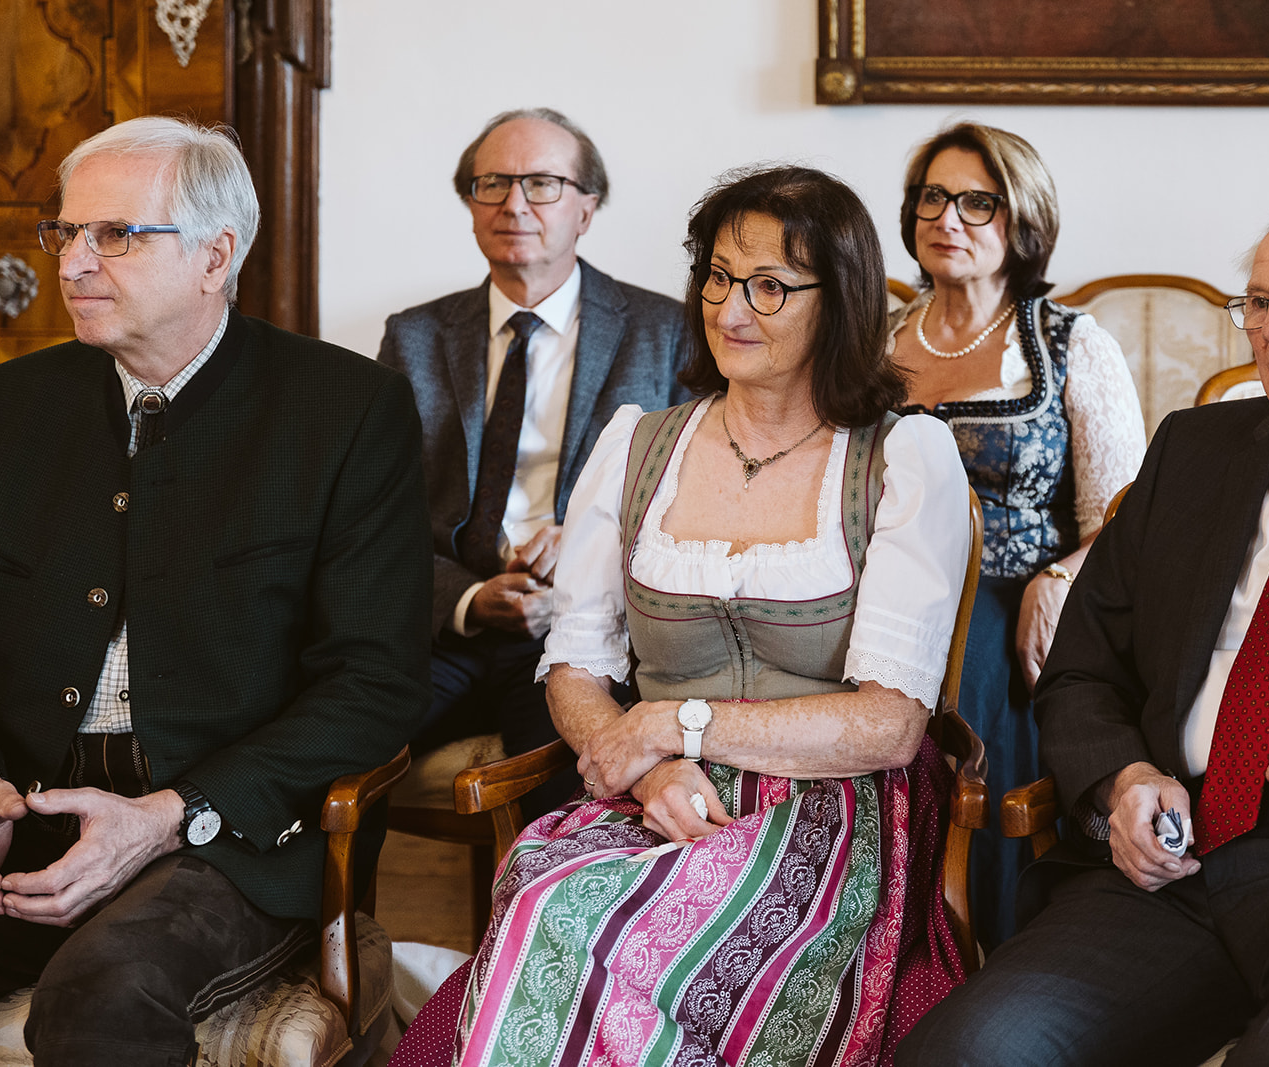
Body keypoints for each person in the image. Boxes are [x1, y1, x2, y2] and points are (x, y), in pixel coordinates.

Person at [389, 166, 974, 1067]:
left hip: (830, 810)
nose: (731, 306)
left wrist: (670, 725)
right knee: (548, 890)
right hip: (654, 796)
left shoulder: (902, 456)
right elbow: (576, 663)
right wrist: (644, 771)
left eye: (770, 285)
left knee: (593, 932)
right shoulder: (638, 444)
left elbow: (891, 725)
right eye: (718, 275)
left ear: (841, 301)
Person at [898, 190, 1269, 1065]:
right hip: (1175, 866)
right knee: (966, 1053)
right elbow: (1082, 670)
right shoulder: (1194, 451)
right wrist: (1122, 777)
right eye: (1257, 302)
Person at [0, 116, 432, 1062]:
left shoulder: (345, 411)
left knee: (101, 994)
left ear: (215, 255)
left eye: (116, 235)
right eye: (65, 232)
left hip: (223, 841)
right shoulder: (3, 410)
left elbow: (374, 680)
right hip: (21, 820)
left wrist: (165, 814)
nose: (74, 263)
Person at [888, 121, 1146, 949]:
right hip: (883, 590)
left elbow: (1126, 516)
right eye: (933, 196)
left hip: (1012, 599)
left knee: (977, 650)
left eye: (977, 201)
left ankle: (977, 941)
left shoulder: (1073, 343)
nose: (948, 218)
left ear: (1022, 220)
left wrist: (1058, 579)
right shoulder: (874, 338)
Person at [379, 108, 688, 791]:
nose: (514, 203)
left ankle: (531, 900)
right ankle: (341, 903)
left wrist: (585, 537)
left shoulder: (664, 331)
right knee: (330, 745)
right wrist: (467, 598)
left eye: (543, 183)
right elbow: (378, 516)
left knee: (566, 790)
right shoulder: (415, 338)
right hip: (447, 624)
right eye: (492, 183)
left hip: (583, 635)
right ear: (468, 204)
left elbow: (692, 497)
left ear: (587, 207)